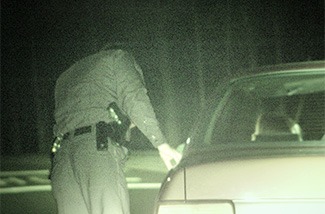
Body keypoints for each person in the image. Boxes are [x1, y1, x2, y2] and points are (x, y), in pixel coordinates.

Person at [51, 48, 182, 214]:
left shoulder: (66, 76)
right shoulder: (119, 58)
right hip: (97, 151)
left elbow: (76, 116)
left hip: (62, 160)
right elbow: (135, 99)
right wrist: (161, 144)